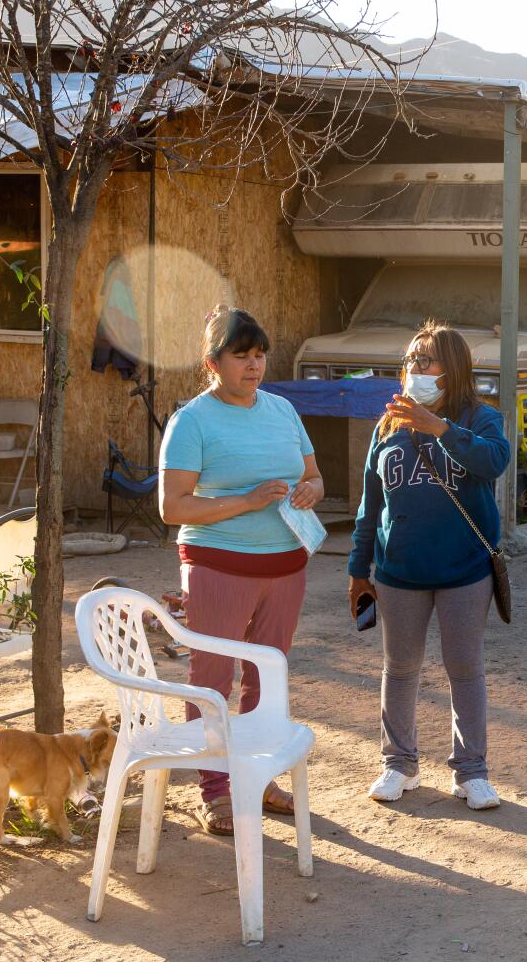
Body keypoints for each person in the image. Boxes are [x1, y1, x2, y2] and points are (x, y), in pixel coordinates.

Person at [159, 306, 324, 835]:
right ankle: (217, 790)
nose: (253, 366)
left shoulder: (282, 410)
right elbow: (173, 507)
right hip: (217, 566)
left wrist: (309, 491)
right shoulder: (192, 421)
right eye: (240, 356)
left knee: (265, 676)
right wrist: (247, 501)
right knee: (212, 679)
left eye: (259, 355)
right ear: (213, 363)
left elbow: (315, 477)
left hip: (286, 565)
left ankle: (259, 776)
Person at [348, 320, 510, 810]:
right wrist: (359, 568)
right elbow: (368, 505)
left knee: (465, 669)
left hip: (465, 571)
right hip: (399, 574)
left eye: (427, 360)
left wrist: (440, 429)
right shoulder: (386, 427)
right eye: (411, 360)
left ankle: (472, 773)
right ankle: (398, 765)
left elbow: (494, 461)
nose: (415, 368)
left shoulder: (481, 418)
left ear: (452, 368)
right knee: (399, 669)